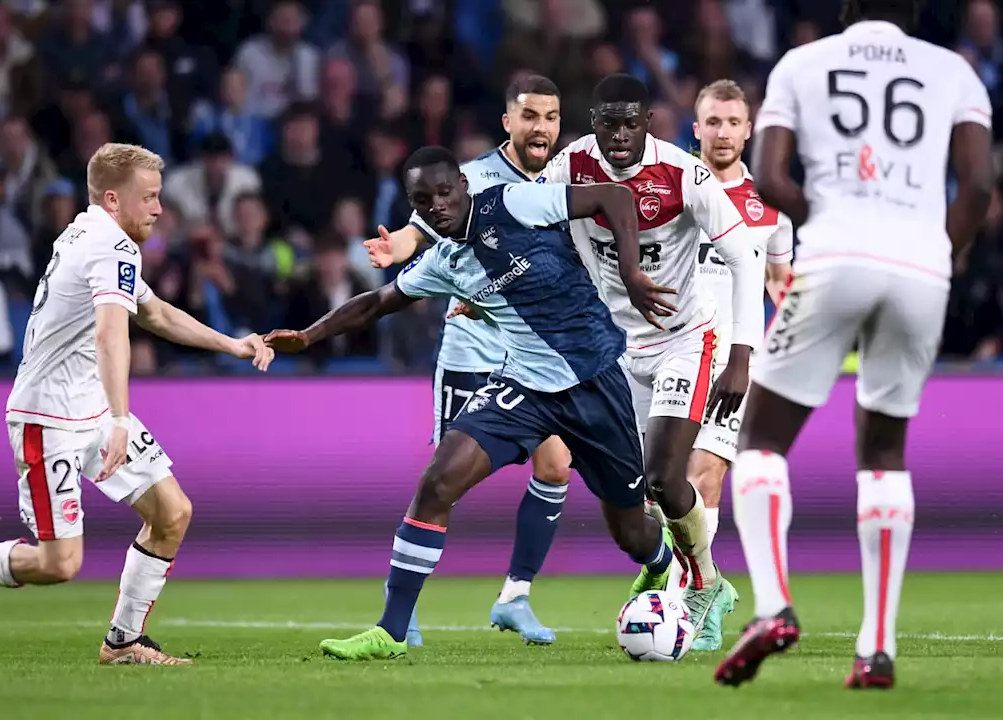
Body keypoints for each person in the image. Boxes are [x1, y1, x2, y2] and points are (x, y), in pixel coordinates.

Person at [265, 145, 680, 661]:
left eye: (443, 191)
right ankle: (392, 631)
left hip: (596, 382)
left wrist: (633, 273)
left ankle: (661, 561)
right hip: (524, 386)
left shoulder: (513, 203)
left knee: (632, 531)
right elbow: (377, 302)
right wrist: (308, 336)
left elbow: (615, 198)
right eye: (423, 199)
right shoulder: (443, 262)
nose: (437, 204)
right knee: (437, 482)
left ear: (462, 184)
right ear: (415, 207)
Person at [713, 0, 993, 690]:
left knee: (762, 441)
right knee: (885, 453)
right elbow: (981, 186)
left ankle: (774, 606)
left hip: (837, 253)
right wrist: (935, 249)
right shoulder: (955, 70)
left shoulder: (802, 64)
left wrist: (843, 221)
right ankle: (876, 649)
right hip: (924, 266)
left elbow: (773, 178)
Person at [0, 144, 275, 665]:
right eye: (148, 198)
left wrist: (232, 344)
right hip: (50, 418)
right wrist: (122, 419)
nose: (157, 209)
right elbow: (112, 334)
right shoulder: (112, 246)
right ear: (112, 198)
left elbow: (154, 313)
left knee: (172, 512)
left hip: (92, 409)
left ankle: (124, 641)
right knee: (59, 564)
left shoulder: (92, 232)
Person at [540, 74, 767, 651]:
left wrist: (741, 353)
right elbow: (521, 219)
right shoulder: (571, 166)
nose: (619, 135)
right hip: (615, 351)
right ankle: (697, 577)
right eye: (608, 122)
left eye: (630, 122)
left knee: (670, 477)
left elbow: (743, 256)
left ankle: (700, 582)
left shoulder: (682, 175)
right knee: (635, 494)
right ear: (592, 123)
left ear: (649, 124)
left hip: (686, 341)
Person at [364, 75, 572, 646]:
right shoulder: (474, 179)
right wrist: (396, 250)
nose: (541, 128)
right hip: (474, 353)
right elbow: (417, 231)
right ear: (509, 122)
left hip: (535, 358)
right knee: (444, 487)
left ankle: (515, 597)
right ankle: (400, 616)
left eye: (551, 117)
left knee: (556, 466)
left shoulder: (565, 176)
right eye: (530, 116)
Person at [650, 80, 794, 650]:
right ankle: (709, 583)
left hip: (736, 361)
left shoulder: (772, 207)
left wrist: (795, 346)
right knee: (658, 492)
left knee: (704, 476)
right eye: (713, 122)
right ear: (696, 127)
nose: (723, 132)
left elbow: (781, 283)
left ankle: (695, 606)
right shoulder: (670, 191)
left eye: (733, 122)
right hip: (672, 353)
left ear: (749, 128)